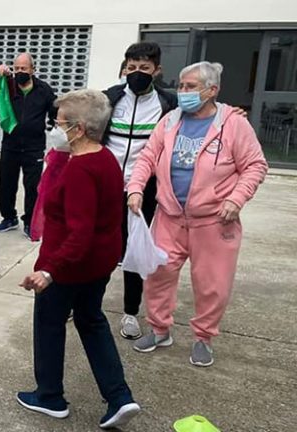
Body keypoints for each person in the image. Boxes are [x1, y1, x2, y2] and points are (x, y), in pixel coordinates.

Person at [128, 62, 268, 367]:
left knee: (212, 283)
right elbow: (147, 158)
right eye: (180, 86)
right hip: (169, 216)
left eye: (190, 87)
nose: (183, 92)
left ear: (212, 90)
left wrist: (236, 199)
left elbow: (255, 166)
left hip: (215, 221)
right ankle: (159, 329)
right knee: (158, 275)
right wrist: (136, 188)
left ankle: (203, 337)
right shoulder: (170, 121)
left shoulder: (233, 124)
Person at [17, 89, 140, 430]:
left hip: (68, 265)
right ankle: (119, 396)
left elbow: (80, 232)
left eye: (58, 123)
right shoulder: (106, 159)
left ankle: (49, 396)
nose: (54, 129)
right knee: (91, 321)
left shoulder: (80, 170)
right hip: (98, 264)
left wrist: (49, 272)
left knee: (49, 324)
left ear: (80, 128)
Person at [102, 42, 178, 340]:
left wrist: (232, 113)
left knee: (134, 250)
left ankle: (131, 312)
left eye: (144, 69)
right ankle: (80, 300)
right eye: (131, 68)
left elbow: (207, 115)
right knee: (97, 246)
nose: (137, 74)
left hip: (142, 190)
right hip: (106, 187)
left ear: (156, 70)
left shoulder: (169, 104)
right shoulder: (110, 98)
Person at [0, 53, 57, 239]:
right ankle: (9, 218)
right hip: (10, 145)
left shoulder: (43, 89)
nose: (20, 72)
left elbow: (55, 111)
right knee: (6, 184)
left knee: (32, 187)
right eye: (17, 68)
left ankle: (30, 221)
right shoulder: (9, 86)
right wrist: (1, 76)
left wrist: (56, 129)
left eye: (24, 68)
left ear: (32, 69)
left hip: (34, 147)